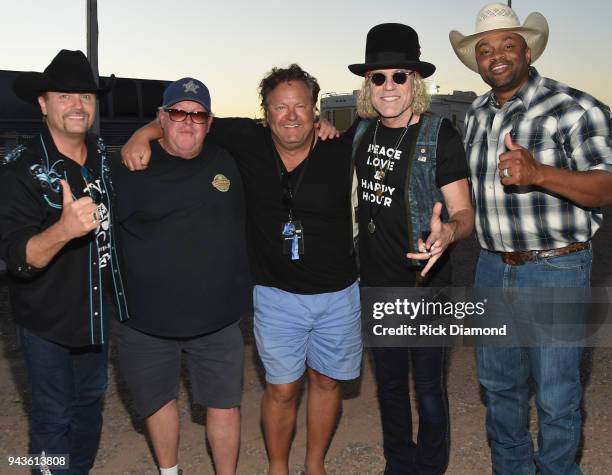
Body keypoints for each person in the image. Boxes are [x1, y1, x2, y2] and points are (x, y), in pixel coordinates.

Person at [121, 65, 361, 475]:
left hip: (338, 293)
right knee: (282, 389)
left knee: (327, 382)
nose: (290, 115)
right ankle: (278, 466)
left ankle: (315, 464)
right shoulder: (244, 140)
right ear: (265, 112)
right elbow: (181, 119)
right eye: (279, 107)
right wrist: (141, 134)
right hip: (274, 292)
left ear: (315, 110)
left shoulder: (341, 149)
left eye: (300, 106)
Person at [449, 3, 612, 474]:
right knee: (500, 390)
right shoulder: (476, 114)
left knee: (558, 398)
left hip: (557, 268)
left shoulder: (574, 107)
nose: (496, 55)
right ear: (477, 61)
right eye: (485, 49)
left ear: (526, 50)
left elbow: (606, 183)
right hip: (491, 266)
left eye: (507, 45)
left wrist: (539, 172)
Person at [348, 24, 474, 475]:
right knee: (389, 388)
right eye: (378, 77)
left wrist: (448, 233)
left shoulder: (439, 135)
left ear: (415, 82)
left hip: (425, 288)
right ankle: (398, 464)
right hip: (376, 285)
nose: (388, 87)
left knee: (427, 388)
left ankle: (431, 466)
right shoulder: (360, 134)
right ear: (367, 84)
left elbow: (463, 213)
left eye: (399, 76)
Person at [111, 78, 251, 475]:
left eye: (198, 115)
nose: (188, 123)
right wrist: (142, 135)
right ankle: (169, 472)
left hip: (217, 320)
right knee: (158, 403)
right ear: (161, 118)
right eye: (177, 113)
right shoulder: (130, 167)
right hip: (145, 323)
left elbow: (289, 130)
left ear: (210, 123)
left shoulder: (230, 159)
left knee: (224, 405)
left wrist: (324, 126)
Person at [0, 50, 129, 474]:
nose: (78, 105)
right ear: (43, 103)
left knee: (90, 408)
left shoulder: (103, 160)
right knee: (53, 418)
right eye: (65, 96)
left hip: (95, 318)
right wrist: (62, 231)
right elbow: (17, 259)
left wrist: (145, 135)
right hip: (47, 323)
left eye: (87, 97)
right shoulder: (18, 169)